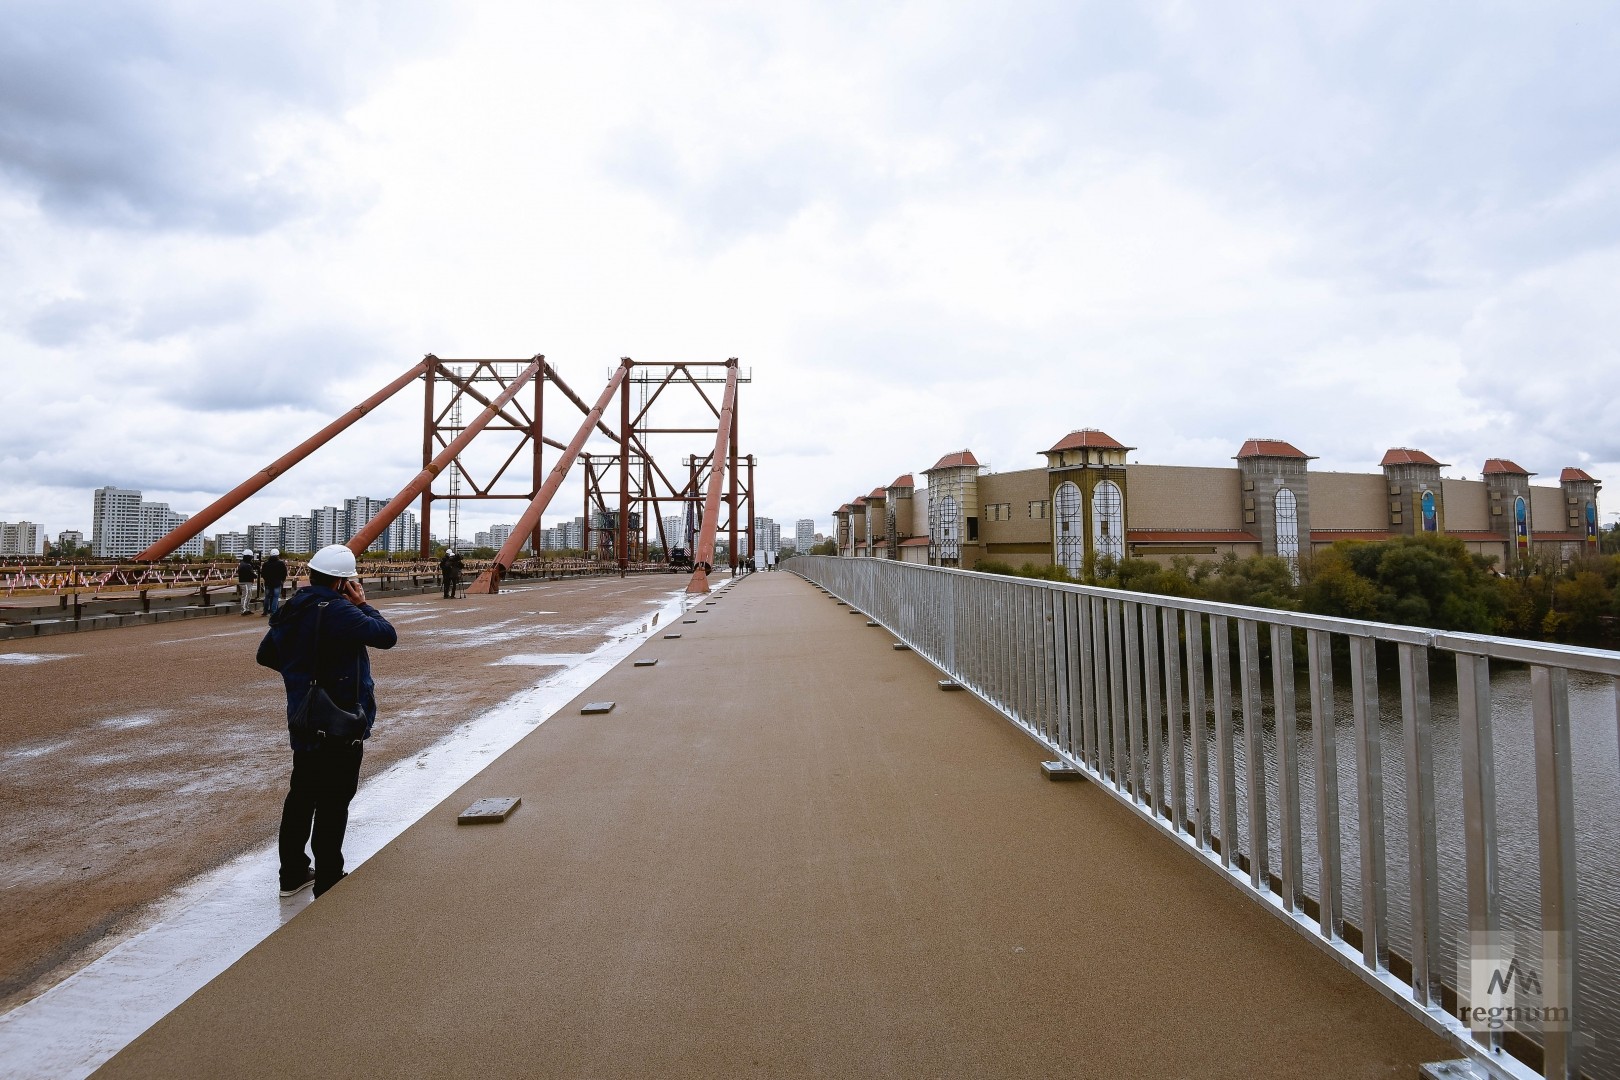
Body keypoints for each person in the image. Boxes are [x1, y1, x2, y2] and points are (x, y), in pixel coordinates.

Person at [257, 544, 396, 898]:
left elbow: (266, 654)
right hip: (340, 718)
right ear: (343, 583)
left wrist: (304, 676)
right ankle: (330, 877)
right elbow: (386, 636)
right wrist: (362, 603)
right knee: (334, 800)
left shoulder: (293, 606)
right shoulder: (341, 611)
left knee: (301, 795)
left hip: (304, 715)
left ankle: (291, 874)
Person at [261, 548, 288, 618]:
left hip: (268, 583)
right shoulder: (281, 563)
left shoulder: (266, 563)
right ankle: (273, 612)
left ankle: (265, 611)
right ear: (278, 555)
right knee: (275, 597)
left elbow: (263, 573)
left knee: (267, 597)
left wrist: (266, 579)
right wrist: (282, 580)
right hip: (277, 583)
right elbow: (284, 573)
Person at [236, 549, 260, 616]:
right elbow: (250, 573)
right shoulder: (246, 565)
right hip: (245, 582)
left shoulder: (245, 564)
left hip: (247, 581)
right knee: (246, 595)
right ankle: (243, 610)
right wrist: (255, 575)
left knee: (249, 595)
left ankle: (246, 608)